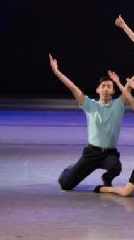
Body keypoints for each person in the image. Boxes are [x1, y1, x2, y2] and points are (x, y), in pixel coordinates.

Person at [49, 54, 125, 190]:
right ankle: (70, 170)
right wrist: (57, 72)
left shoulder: (118, 105)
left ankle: (107, 178)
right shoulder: (90, 104)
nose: (106, 89)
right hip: (92, 153)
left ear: (113, 91)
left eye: (109, 86)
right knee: (65, 184)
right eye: (103, 86)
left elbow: (130, 87)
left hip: (109, 153)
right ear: (98, 89)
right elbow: (73, 87)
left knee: (115, 167)